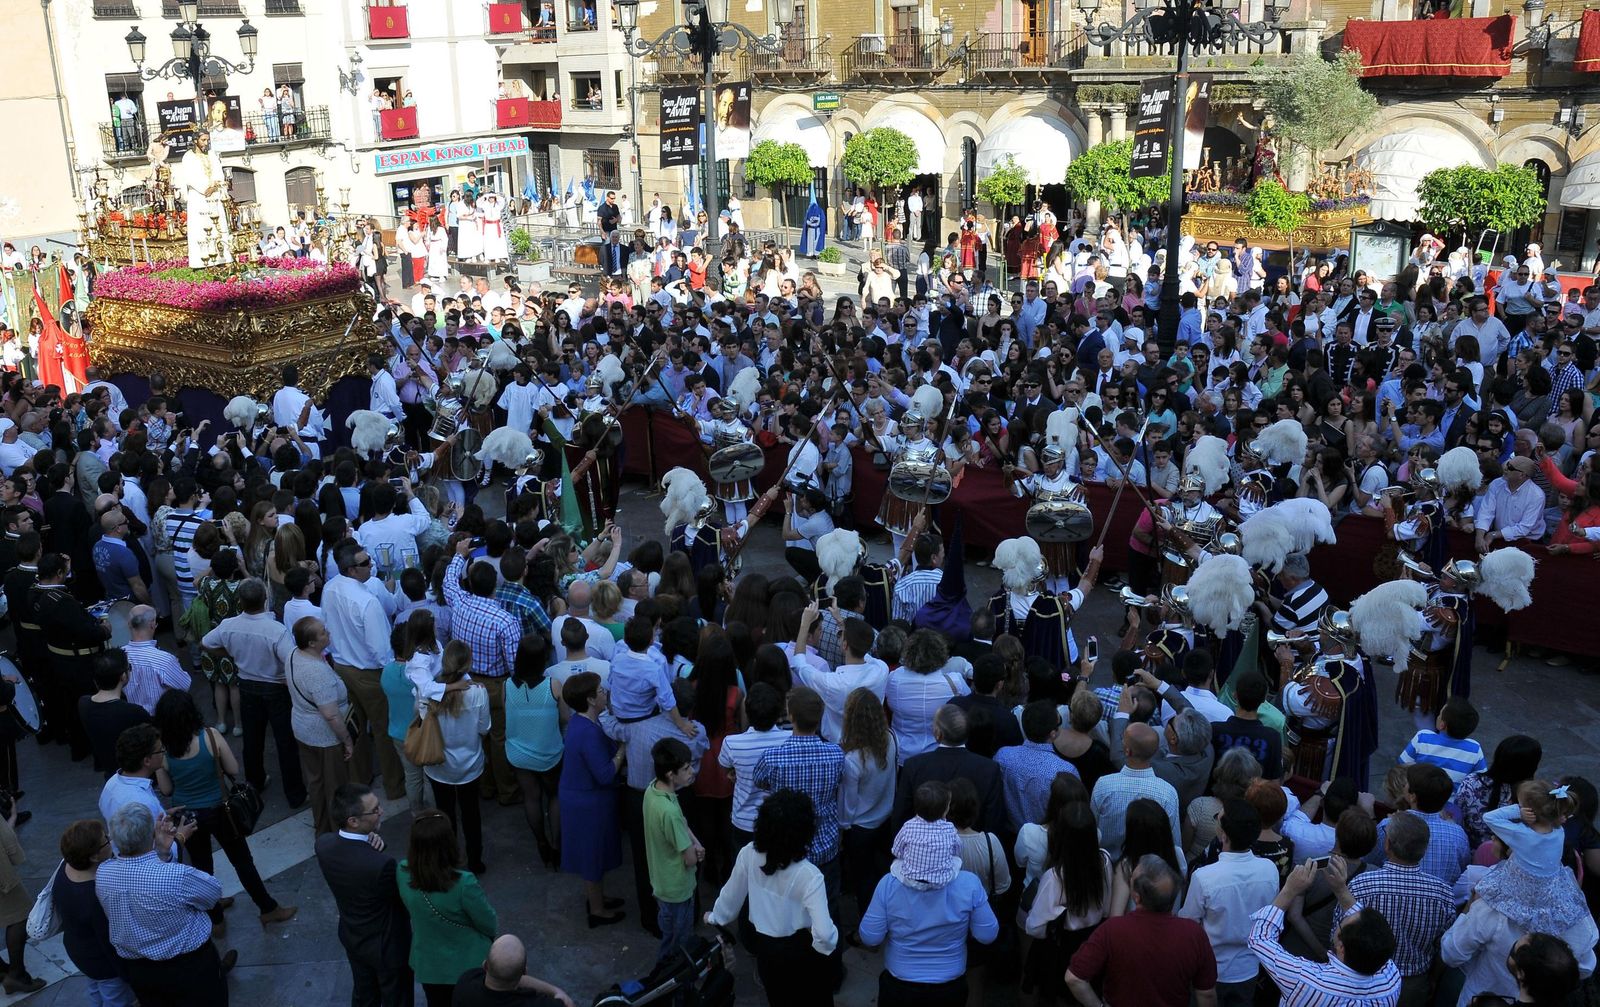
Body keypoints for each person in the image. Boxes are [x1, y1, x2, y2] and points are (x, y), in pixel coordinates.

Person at [152, 689, 297, 927]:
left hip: (188, 817)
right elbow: (233, 769)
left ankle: (216, 920)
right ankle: (267, 908)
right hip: (220, 810)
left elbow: (166, 789)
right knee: (242, 861)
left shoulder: (164, 749)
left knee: (201, 866)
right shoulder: (210, 736)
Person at [706, 788, 838, 1006]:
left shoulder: (749, 853)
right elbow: (824, 934)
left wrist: (715, 917)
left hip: (766, 950)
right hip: (802, 951)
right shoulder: (809, 875)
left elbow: (731, 897)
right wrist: (826, 945)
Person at [858, 805, 999, 1007]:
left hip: (900, 987)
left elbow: (870, 937)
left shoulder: (888, 884)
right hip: (949, 988)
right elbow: (987, 934)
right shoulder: (969, 884)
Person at [96, 803, 234, 1006]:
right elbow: (212, 894)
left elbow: (144, 878)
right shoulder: (176, 876)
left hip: (140, 972)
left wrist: (162, 852)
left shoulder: (103, 873)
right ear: (150, 836)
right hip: (190, 968)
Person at [1066, 854, 1218, 1007]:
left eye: (1132, 878)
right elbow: (1206, 994)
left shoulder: (1112, 930)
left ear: (1136, 897)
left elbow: (1074, 978)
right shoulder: (1194, 934)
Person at [1248, 859, 1401, 1007]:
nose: (1346, 915)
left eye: (1341, 923)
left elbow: (1259, 939)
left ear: (1341, 947)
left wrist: (1289, 890)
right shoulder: (1390, 978)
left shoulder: (1306, 980)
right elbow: (1362, 922)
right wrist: (1340, 889)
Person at [315, 783, 414, 1007]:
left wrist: (372, 851)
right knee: (396, 998)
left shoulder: (323, 845)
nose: (381, 812)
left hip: (353, 937)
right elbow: (401, 901)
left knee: (364, 994)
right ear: (353, 821)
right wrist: (376, 854)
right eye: (375, 809)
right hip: (387, 947)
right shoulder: (381, 864)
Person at [1177, 799, 1280, 1007]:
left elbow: (1187, 923)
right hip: (1249, 968)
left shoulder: (1204, 877)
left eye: (1218, 818)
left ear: (1224, 835)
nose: (1216, 819)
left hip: (1209, 969)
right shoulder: (1269, 870)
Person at [397, 810, 498, 1007]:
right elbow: (489, 923)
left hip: (429, 965)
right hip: (469, 965)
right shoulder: (464, 883)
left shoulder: (402, 871)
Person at [558, 671, 626, 926]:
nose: (604, 693)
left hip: (582, 797)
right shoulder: (589, 732)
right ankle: (597, 910)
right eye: (599, 691)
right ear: (589, 699)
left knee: (593, 853)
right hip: (588, 803)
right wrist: (622, 750)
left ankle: (597, 898)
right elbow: (606, 774)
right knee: (592, 854)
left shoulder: (582, 722)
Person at [420, 641, 491, 875]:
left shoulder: (430, 692)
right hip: (470, 763)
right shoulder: (478, 693)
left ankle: (449, 860)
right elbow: (484, 728)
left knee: (445, 814)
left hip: (439, 766)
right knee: (472, 815)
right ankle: (475, 861)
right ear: (468, 663)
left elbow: (420, 718)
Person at [54, 818, 139, 1006]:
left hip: (79, 951)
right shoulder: (94, 895)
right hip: (102, 964)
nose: (111, 841)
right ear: (93, 857)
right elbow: (109, 942)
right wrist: (126, 974)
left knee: (95, 990)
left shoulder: (66, 867)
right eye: (106, 840)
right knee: (115, 999)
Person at [286, 616, 356, 835]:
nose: (328, 633)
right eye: (323, 632)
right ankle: (338, 833)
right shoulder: (317, 672)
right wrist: (347, 740)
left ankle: (322, 828)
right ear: (312, 643)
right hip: (325, 738)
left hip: (303, 730)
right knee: (335, 786)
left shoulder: (293, 654)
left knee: (315, 783)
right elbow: (331, 715)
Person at [504, 631, 562, 868]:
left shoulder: (506, 685)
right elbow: (566, 717)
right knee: (554, 796)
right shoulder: (553, 685)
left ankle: (541, 842)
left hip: (518, 753)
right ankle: (557, 846)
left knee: (531, 798)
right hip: (549, 752)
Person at [644, 736, 703, 960]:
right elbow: (689, 859)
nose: (692, 772)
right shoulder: (669, 812)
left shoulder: (654, 790)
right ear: (671, 773)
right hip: (678, 889)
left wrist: (695, 843)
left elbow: (682, 825)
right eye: (686, 768)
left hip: (662, 884)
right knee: (679, 948)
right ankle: (674, 987)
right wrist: (695, 853)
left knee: (669, 938)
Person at [452, 934, 578, 1007]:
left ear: (485, 966)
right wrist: (556, 991)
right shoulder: (541, 1004)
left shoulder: (466, 983)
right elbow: (568, 1004)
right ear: (525, 972)